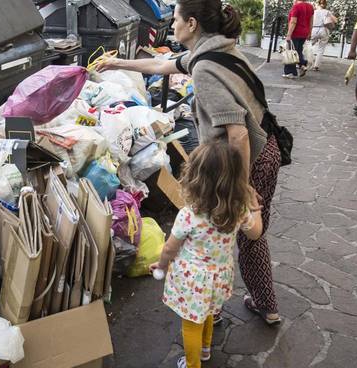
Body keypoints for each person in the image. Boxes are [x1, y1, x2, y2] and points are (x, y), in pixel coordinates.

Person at [96, 0, 282, 326]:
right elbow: (163, 66)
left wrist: (241, 186)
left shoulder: (205, 68)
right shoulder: (214, 50)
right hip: (262, 147)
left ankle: (245, 304)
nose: (173, 24)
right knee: (228, 232)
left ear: (192, 24)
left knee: (242, 233)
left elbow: (237, 133)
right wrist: (117, 64)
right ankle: (238, 304)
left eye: (177, 19)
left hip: (246, 159)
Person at [149, 141, 263, 368]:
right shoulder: (237, 209)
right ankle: (204, 350)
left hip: (192, 281)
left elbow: (170, 248)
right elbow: (255, 234)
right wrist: (253, 207)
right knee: (209, 311)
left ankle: (193, 364)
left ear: (196, 178)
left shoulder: (189, 214)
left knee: (191, 323)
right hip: (218, 279)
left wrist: (161, 266)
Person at [284, 0, 314, 78]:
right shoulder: (310, 7)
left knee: (291, 52)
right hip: (304, 33)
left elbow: (293, 21)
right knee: (298, 50)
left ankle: (290, 72)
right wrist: (309, 32)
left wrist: (288, 34)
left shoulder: (296, 7)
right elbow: (311, 21)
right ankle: (302, 65)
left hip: (295, 33)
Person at [310, 0, 337, 71]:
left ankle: (305, 62)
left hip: (314, 29)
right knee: (321, 49)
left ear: (317, 4)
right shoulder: (327, 12)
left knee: (308, 45)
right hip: (324, 30)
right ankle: (316, 66)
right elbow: (335, 20)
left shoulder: (314, 11)